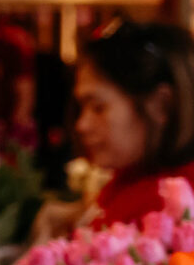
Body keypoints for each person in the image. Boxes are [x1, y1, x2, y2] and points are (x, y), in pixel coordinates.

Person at [71, 21, 194, 225]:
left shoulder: (167, 209)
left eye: (98, 108)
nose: (82, 125)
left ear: (160, 105)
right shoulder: (132, 179)